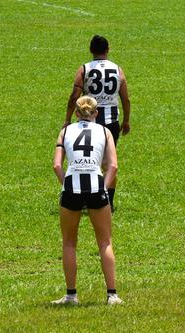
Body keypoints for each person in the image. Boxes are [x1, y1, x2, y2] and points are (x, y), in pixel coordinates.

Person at [52, 96, 123, 305]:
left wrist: (66, 183)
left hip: (72, 188)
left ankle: (71, 295)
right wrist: (104, 187)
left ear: (76, 113)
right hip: (96, 187)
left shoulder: (65, 131)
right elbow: (113, 166)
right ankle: (112, 294)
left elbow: (57, 165)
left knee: (69, 242)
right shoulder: (104, 131)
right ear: (96, 113)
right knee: (105, 241)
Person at [65, 35, 131, 213]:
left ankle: (87, 197)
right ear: (107, 49)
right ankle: (107, 201)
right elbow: (125, 98)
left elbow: (74, 96)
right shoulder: (117, 69)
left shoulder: (84, 69)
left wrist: (67, 119)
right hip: (111, 121)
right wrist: (126, 120)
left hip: (88, 118)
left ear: (90, 50)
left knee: (88, 159)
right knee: (108, 163)